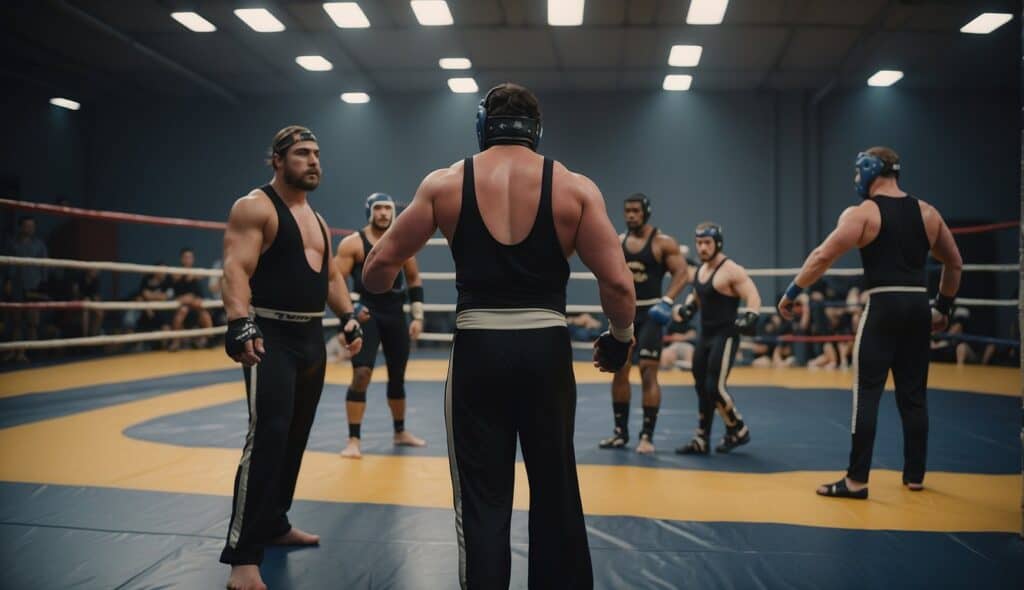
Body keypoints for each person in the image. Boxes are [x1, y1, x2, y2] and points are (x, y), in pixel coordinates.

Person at [362, 83, 635, 590]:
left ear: (482, 124)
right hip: (546, 352)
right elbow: (618, 282)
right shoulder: (574, 187)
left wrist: (380, 300)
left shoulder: (444, 184)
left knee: (482, 496)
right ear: (537, 130)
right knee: (555, 486)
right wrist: (620, 338)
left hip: (477, 351)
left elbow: (377, 267)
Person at [219, 125, 364, 590]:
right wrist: (240, 320)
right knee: (267, 436)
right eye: (303, 153)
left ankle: (275, 524)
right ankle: (243, 556)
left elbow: (331, 281)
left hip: (308, 337)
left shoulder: (317, 220)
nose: (314, 160)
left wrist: (347, 317)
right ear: (277, 160)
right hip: (270, 336)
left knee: (295, 435)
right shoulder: (255, 207)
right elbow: (236, 268)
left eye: (318, 153)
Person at [778, 146, 962, 499]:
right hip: (918, 306)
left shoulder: (864, 213)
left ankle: (856, 480)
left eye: (856, 171)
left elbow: (823, 255)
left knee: (867, 396)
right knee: (914, 395)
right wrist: (944, 308)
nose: (854, 179)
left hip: (883, 305)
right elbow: (954, 264)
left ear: (869, 169)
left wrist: (791, 292)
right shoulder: (928, 213)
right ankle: (915, 475)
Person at [335, 192, 427, 458]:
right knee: (361, 374)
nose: (384, 213)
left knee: (398, 375)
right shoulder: (353, 243)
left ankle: (400, 432)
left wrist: (418, 316)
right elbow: (335, 279)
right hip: (367, 313)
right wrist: (351, 308)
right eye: (379, 209)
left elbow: (414, 278)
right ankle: (353, 439)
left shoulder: (400, 242)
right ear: (369, 211)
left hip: (395, 314)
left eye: (388, 208)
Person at [598, 194, 689, 454]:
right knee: (619, 368)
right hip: (625, 315)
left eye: (636, 211)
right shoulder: (617, 242)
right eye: (627, 211)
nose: (630, 215)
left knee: (648, 371)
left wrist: (668, 301)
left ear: (646, 212)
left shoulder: (662, 243)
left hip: (651, 314)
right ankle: (620, 433)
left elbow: (683, 273)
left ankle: (647, 436)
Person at [674, 223, 762, 455]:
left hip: (726, 335)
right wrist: (687, 309)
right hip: (705, 335)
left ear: (718, 244)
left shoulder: (731, 269)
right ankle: (702, 439)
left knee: (715, 387)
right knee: (701, 386)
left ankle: (738, 428)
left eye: (707, 243)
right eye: (699, 243)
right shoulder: (701, 271)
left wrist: (751, 315)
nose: (702, 248)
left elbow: (752, 293)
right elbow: (697, 295)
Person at [169, 247, 214, 350]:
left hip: (194, 305)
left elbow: (198, 297)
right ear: (181, 259)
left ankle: (209, 340)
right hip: (182, 306)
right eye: (186, 257)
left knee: (204, 313)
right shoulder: (176, 273)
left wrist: (192, 299)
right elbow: (179, 296)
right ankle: (176, 342)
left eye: (190, 257)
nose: (188, 260)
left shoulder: (196, 274)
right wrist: (186, 299)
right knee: (183, 310)